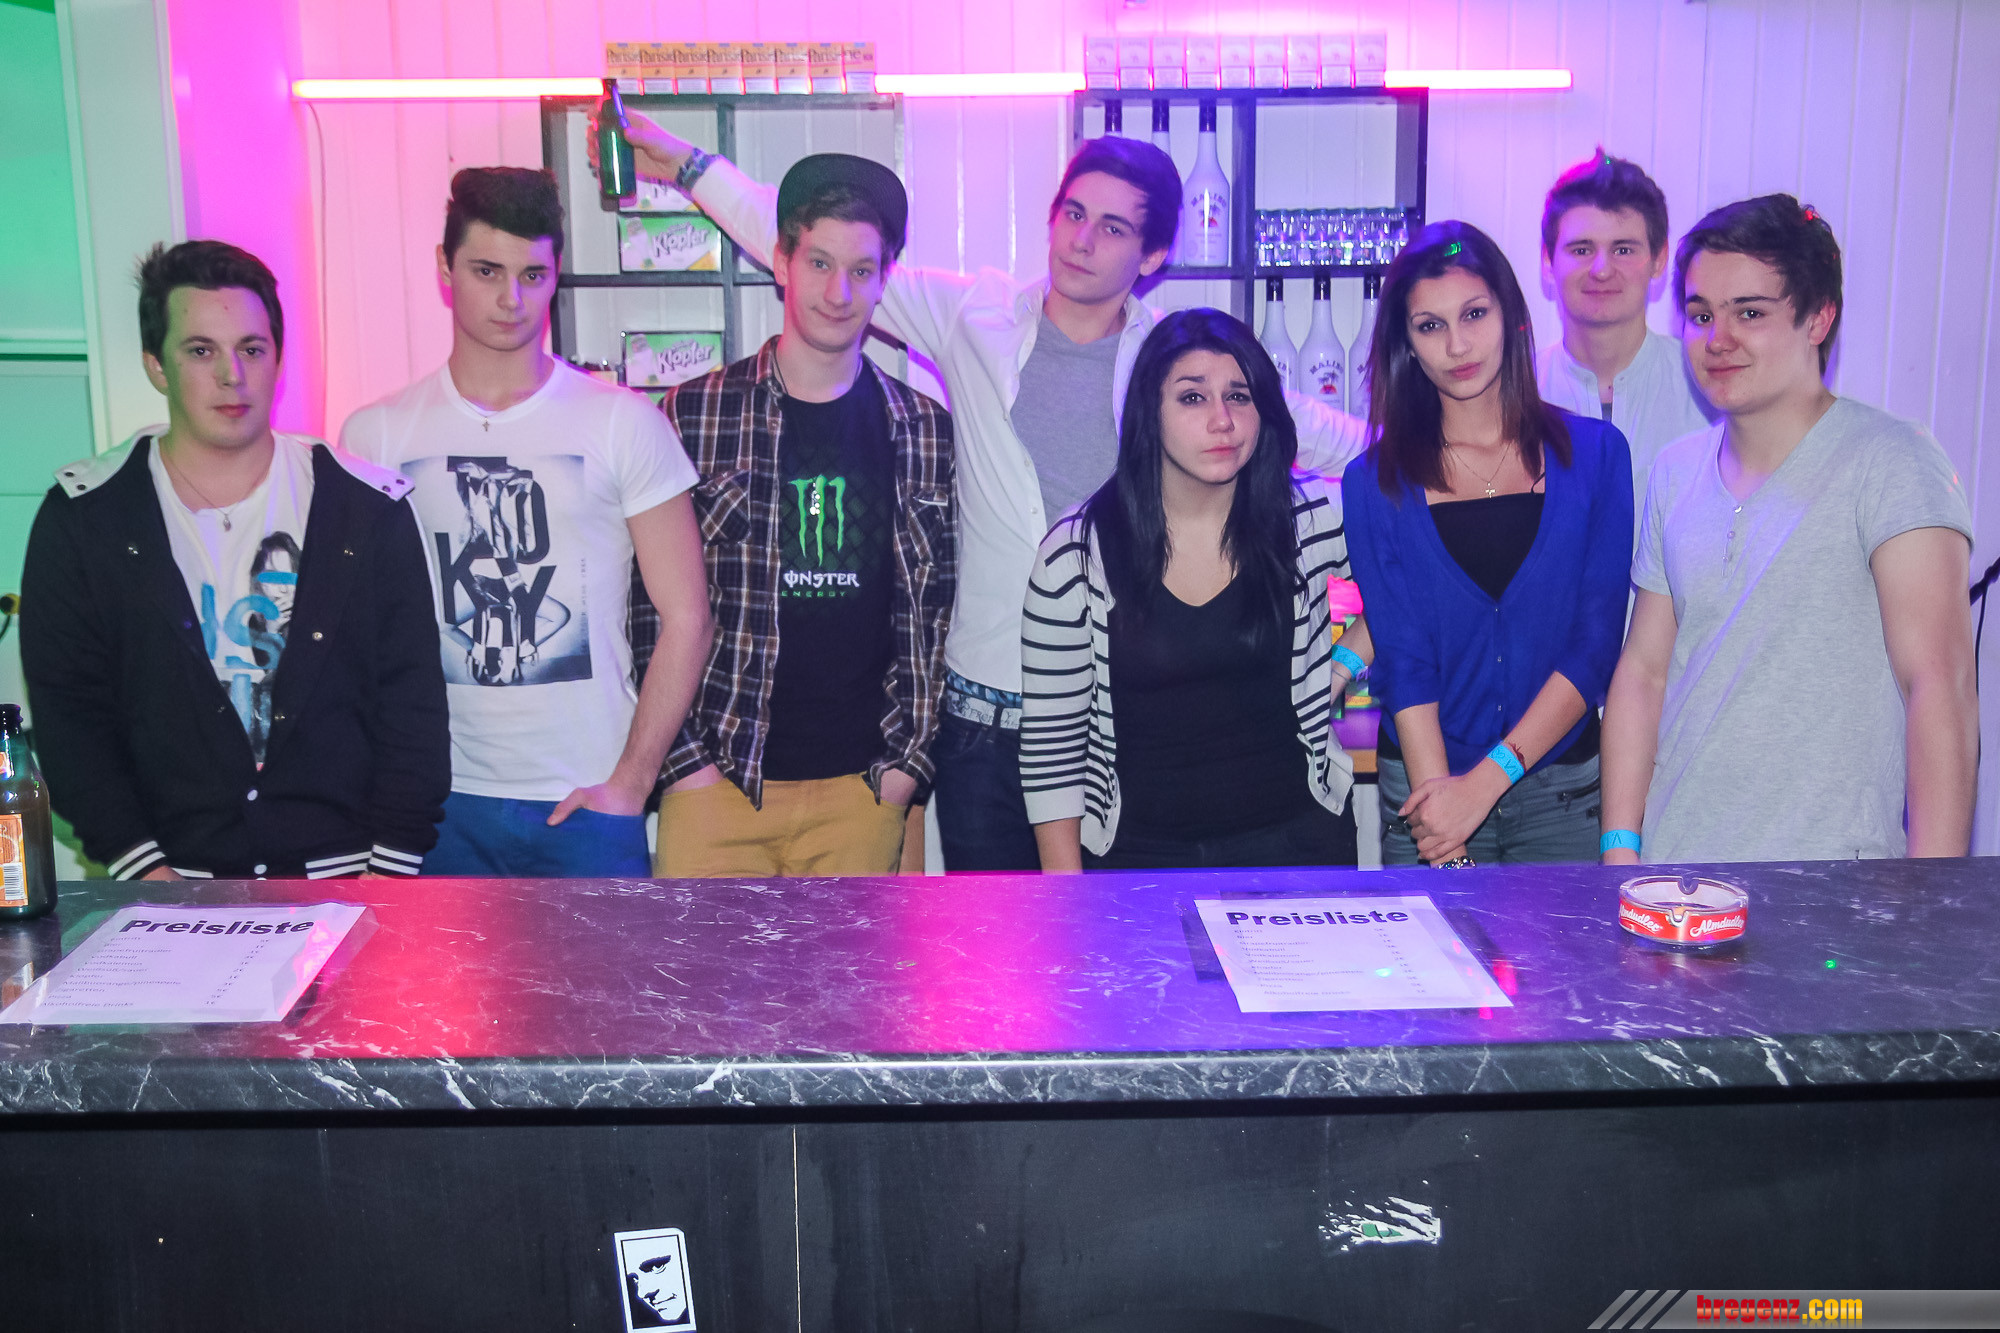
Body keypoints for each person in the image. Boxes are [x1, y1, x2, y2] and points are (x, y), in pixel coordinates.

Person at [612, 115, 1369, 871]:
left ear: (1153, 255)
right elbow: (817, 248)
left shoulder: (1175, 367)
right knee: (1001, 943)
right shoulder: (974, 316)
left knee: (1097, 934)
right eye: (1073, 214)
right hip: (981, 724)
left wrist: (1418, 461)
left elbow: (1310, 429)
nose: (1081, 240)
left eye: (1112, 228)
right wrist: (685, 162)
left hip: (1110, 720)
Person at [22, 240, 449, 880]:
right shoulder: (86, 517)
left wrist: (389, 875)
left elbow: (413, 708)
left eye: (251, 349)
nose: (232, 375)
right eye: (201, 351)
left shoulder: (366, 509)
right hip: (166, 886)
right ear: (156, 366)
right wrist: (145, 872)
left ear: (278, 359)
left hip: (350, 878)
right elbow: (69, 717)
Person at [341, 167, 713, 877]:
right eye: (487, 271)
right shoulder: (377, 435)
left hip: (587, 800)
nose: (511, 299)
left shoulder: (623, 423)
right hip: (435, 801)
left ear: (555, 275)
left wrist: (632, 783)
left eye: (532, 275)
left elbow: (689, 617)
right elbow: (358, 637)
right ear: (445, 267)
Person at [1601, 195, 1976, 864]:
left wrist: (1934, 901)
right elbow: (1644, 673)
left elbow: (1939, 686)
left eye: (1750, 312)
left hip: (1834, 883)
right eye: (1701, 315)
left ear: (1818, 317)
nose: (1718, 339)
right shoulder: (1675, 470)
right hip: (1675, 875)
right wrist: (1619, 846)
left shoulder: (1892, 461)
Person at [651, 154, 955, 877]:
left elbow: (936, 612)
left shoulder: (924, 428)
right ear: (782, 262)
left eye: (861, 270)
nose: (838, 292)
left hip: (861, 792)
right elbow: (644, 604)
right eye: (819, 262)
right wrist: (684, 763)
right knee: (693, 960)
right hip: (718, 784)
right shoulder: (694, 413)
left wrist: (907, 764)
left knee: (858, 962)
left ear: (883, 280)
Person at [1020, 309, 1367, 871]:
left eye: (1239, 396)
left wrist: (1342, 665)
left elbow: (1408, 585)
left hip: (1297, 849)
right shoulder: (1076, 553)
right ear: (1148, 412)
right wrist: (1068, 900)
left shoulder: (1310, 522)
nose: (1222, 420)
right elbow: (1052, 756)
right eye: (1192, 397)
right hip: (1137, 861)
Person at [1342, 222, 1634, 867]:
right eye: (1430, 326)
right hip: (1426, 791)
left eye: (1474, 314)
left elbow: (1594, 647)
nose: (1457, 344)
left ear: (1511, 318)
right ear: (1406, 345)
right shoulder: (1373, 482)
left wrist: (1486, 782)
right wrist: (1443, 819)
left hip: (1561, 793)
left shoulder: (1598, 457)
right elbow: (1403, 658)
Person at [1536, 150, 1713, 509]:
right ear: (1548, 262)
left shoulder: (1707, 387)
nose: (1601, 270)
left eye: (1623, 250)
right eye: (1581, 249)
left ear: (1659, 259)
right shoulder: (1516, 391)